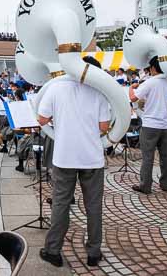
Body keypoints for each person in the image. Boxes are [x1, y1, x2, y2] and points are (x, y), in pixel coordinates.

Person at [37, 56, 110, 268]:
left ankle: (53, 251)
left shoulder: (56, 88)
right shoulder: (99, 91)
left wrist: (60, 121)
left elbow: (41, 119)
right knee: (93, 207)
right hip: (92, 157)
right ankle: (94, 252)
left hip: (64, 156)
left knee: (60, 205)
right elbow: (104, 126)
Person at [129, 56, 167, 194]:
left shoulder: (149, 82)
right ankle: (165, 184)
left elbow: (133, 98)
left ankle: (145, 185)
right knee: (166, 156)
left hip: (150, 124)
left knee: (148, 156)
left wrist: (131, 87)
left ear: (153, 68)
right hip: (166, 124)